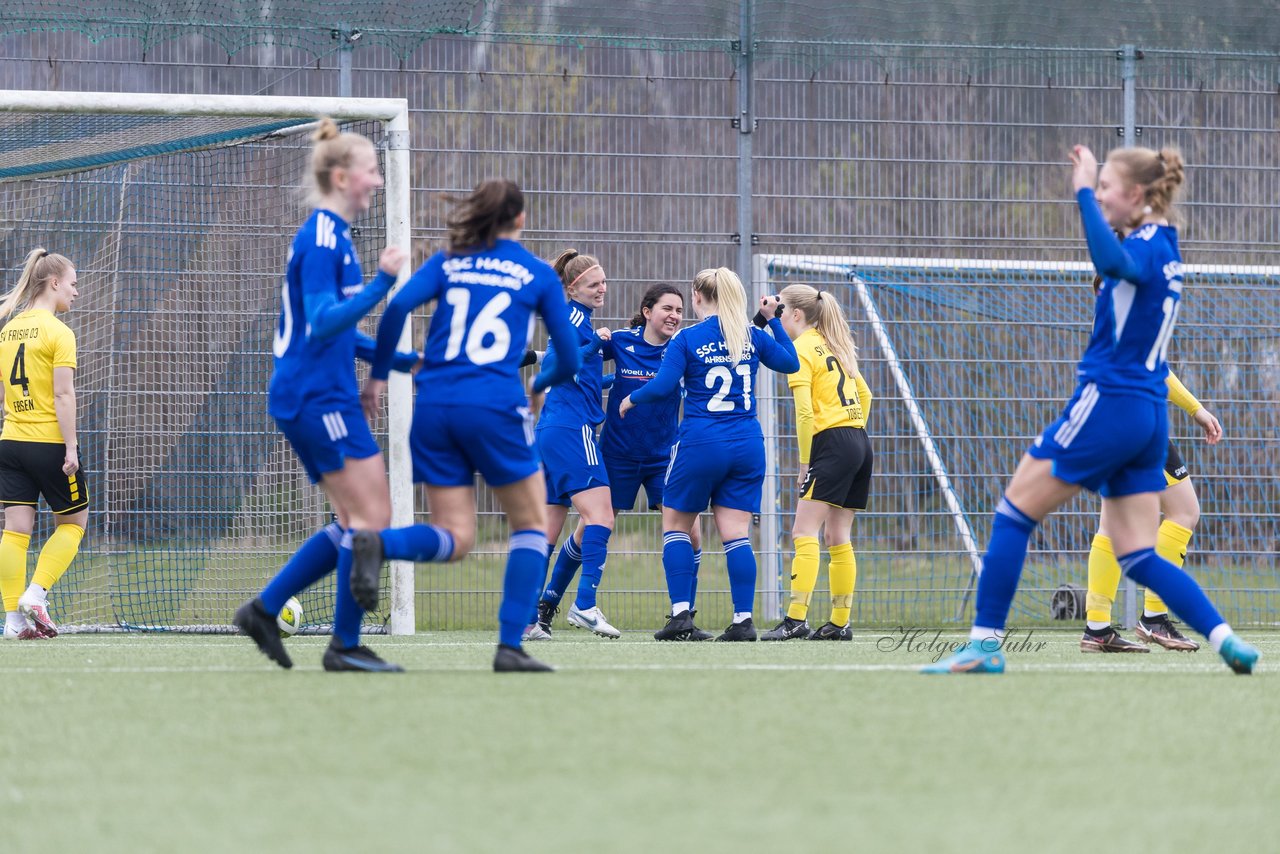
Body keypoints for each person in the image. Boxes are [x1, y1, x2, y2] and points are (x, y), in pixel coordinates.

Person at [924, 144, 1259, 675]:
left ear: (1137, 195)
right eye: (1096, 185)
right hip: (1149, 414)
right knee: (1137, 552)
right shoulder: (1166, 245)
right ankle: (1225, 641)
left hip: (1111, 404)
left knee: (1013, 513)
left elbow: (1109, 261)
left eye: (1107, 186)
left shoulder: (1142, 248)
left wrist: (1080, 188)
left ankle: (984, 647)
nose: (1099, 193)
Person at [356, 179, 581, 673]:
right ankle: (509, 646)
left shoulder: (447, 262)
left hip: (434, 407)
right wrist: (538, 383)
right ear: (520, 219)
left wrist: (375, 378)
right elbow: (569, 358)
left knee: (454, 536)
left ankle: (378, 544)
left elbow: (395, 308)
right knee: (530, 524)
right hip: (495, 407)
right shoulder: (537, 274)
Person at [233, 117, 414, 673]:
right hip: (317, 397)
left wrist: (408, 362)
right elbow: (320, 322)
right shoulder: (322, 238)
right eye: (371, 171)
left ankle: (266, 611)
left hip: (318, 392)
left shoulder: (333, 237)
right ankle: (344, 644)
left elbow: (337, 330)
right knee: (372, 516)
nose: (378, 182)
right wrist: (383, 283)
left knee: (354, 519)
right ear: (341, 177)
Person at [620, 267, 799, 641]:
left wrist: (631, 398)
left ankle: (681, 616)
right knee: (735, 535)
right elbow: (790, 362)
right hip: (748, 444)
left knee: (675, 526)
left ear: (698, 297)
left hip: (701, 443)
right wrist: (772, 321)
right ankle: (743, 621)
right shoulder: (750, 335)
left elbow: (664, 385)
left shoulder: (688, 338)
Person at [528, 284, 711, 641]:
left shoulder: (683, 348)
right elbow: (581, 358)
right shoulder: (622, 341)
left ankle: (682, 618)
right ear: (647, 312)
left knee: (691, 532)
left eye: (679, 309)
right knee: (590, 527)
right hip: (618, 455)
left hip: (661, 458)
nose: (674, 315)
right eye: (667, 308)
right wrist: (536, 356)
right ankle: (547, 607)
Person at [761, 283, 873, 642]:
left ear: (795, 315)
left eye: (781, 311)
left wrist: (805, 461)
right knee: (837, 535)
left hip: (831, 443)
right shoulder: (834, 343)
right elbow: (866, 394)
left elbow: (806, 412)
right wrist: (853, 429)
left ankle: (796, 619)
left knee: (802, 532)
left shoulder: (802, 348)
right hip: (858, 438)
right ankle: (839, 622)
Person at [1080, 369, 1221, 652]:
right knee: (1184, 511)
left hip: (1108, 416)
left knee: (1111, 523)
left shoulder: (1108, 324)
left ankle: (1097, 629)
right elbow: (1153, 366)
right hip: (1136, 422)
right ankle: (1153, 618)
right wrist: (1197, 409)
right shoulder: (1136, 323)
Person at [529, 250, 620, 639]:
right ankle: (584, 605)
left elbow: (578, 380)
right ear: (572, 287)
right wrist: (596, 345)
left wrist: (619, 383)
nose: (602, 289)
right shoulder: (573, 318)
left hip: (553, 428)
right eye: (593, 284)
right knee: (601, 517)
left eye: (603, 282)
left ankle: (529, 619)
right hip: (571, 429)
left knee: (546, 532)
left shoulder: (577, 319)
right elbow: (555, 366)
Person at [0, 248, 87, 641]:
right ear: (54, 283)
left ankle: (12, 621)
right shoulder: (59, 332)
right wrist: (70, 448)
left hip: (11, 441)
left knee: (15, 530)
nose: (76, 292)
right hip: (48, 442)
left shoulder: (8, 329)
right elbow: (64, 396)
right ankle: (35, 595)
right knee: (73, 523)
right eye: (72, 283)